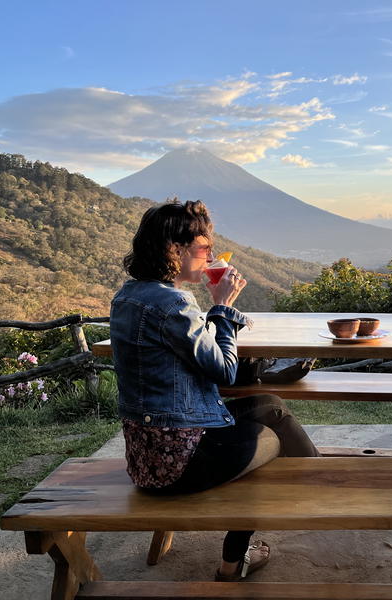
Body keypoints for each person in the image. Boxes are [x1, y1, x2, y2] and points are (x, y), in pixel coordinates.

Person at [110, 199, 319, 581]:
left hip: (145, 457)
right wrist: (222, 307)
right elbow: (224, 370)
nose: (210, 256)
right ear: (175, 250)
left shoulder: (128, 295)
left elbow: (187, 360)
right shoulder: (173, 303)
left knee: (270, 406)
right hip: (178, 464)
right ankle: (234, 561)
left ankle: (319, 483)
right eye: (204, 248)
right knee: (269, 442)